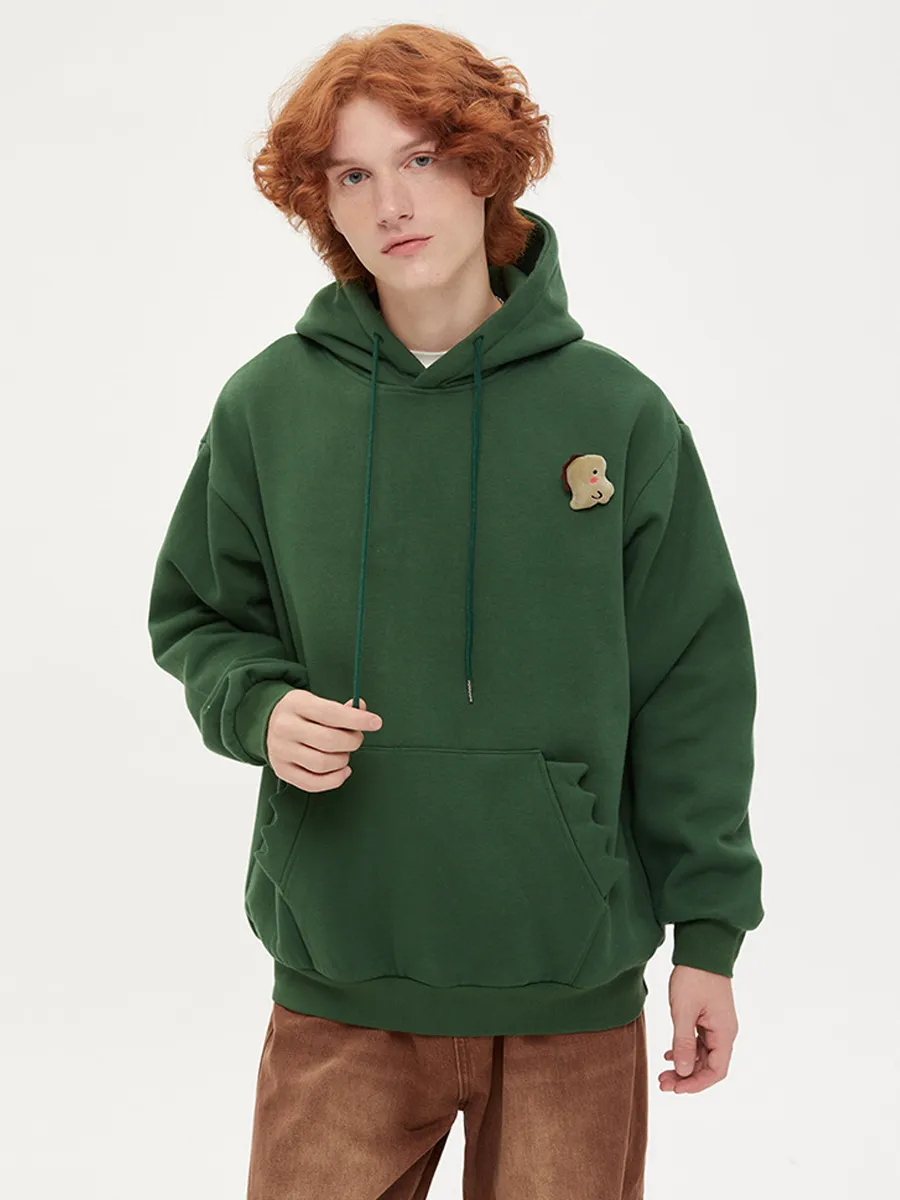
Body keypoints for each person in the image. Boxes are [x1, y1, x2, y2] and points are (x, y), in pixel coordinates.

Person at [147, 21, 765, 1200]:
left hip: (569, 980)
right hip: (343, 969)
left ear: (487, 165)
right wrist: (259, 708)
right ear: (323, 203)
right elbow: (200, 617)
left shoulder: (618, 415)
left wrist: (711, 937)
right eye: (352, 175)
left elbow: (691, 683)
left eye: (422, 158)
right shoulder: (269, 407)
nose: (391, 203)